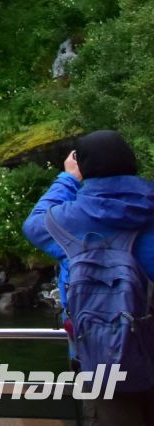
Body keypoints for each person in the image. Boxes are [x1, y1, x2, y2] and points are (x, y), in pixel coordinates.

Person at [22, 130, 154, 424]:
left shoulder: (68, 218)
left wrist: (67, 178)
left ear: (83, 166)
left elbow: (33, 224)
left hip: (99, 349)